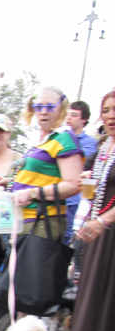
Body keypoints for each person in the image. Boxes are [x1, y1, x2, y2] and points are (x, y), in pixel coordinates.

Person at [61, 90, 115, 331]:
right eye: (106, 110)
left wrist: (103, 220)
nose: (110, 116)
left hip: (107, 230)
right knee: (92, 301)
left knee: (104, 302)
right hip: (98, 232)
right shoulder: (104, 147)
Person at [4, 87, 83, 239]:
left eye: (50, 106)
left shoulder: (64, 138)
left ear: (62, 108)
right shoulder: (44, 140)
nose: (44, 111)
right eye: (39, 107)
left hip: (43, 221)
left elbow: (73, 185)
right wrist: (9, 182)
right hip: (24, 220)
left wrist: (32, 193)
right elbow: (41, 177)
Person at [64, 100, 98, 243]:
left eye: (74, 115)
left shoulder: (90, 143)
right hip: (57, 200)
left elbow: (80, 164)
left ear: (83, 119)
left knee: (66, 244)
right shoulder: (60, 138)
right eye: (68, 114)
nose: (69, 118)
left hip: (74, 203)